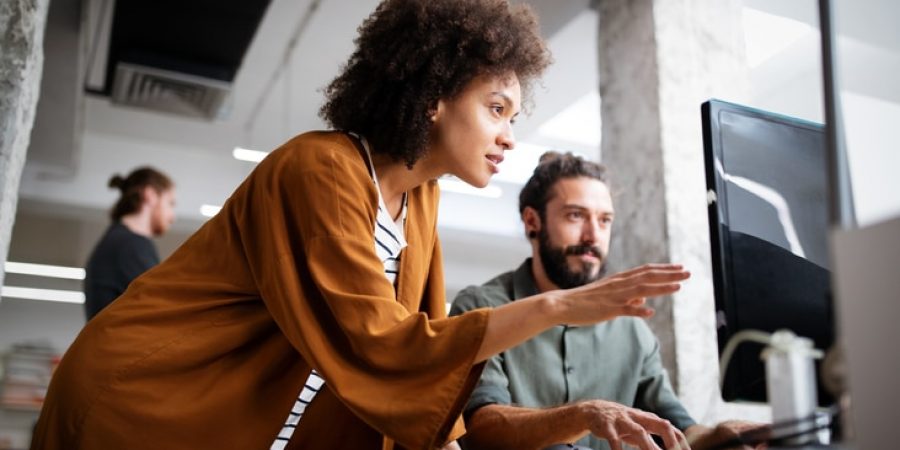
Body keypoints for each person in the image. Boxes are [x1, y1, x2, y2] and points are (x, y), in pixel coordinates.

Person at [30, 2, 690, 449]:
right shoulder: (318, 170)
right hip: (143, 403)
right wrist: (558, 306)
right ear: (434, 96)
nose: (507, 138)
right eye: (496, 108)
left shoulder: (422, 200)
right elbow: (385, 345)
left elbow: (420, 364)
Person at [451, 152, 763, 450]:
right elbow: (480, 432)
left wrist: (723, 436)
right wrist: (582, 415)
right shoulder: (483, 308)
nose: (592, 235)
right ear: (532, 221)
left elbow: (677, 430)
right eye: (576, 216)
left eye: (604, 220)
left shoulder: (632, 329)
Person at [83, 167, 176, 320]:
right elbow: (163, 307)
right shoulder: (130, 245)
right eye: (170, 203)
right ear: (150, 195)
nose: (172, 216)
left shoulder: (119, 241)